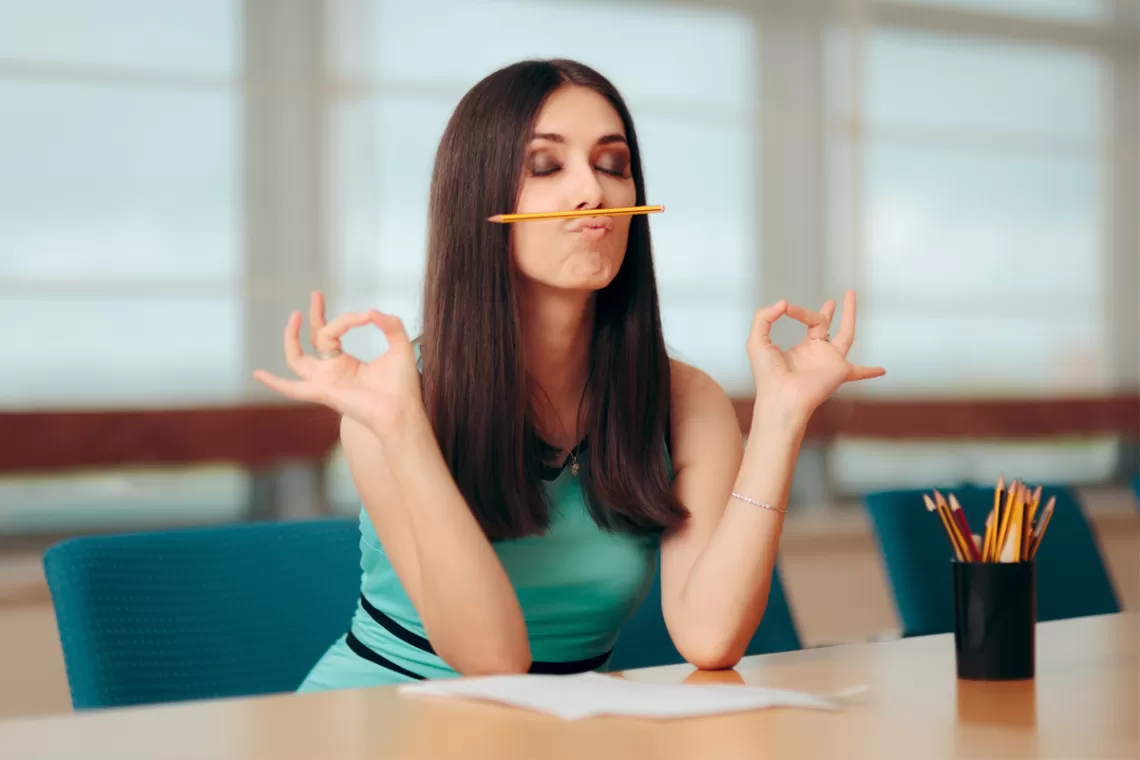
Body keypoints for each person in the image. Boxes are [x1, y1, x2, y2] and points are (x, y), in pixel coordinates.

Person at [254, 58, 884, 691]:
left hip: (566, 730)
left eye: (613, 165)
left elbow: (709, 636)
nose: (594, 192)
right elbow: (492, 662)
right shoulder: (391, 400)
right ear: (481, 200)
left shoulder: (688, 402)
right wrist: (404, 429)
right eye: (546, 166)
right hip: (386, 714)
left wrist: (782, 417)